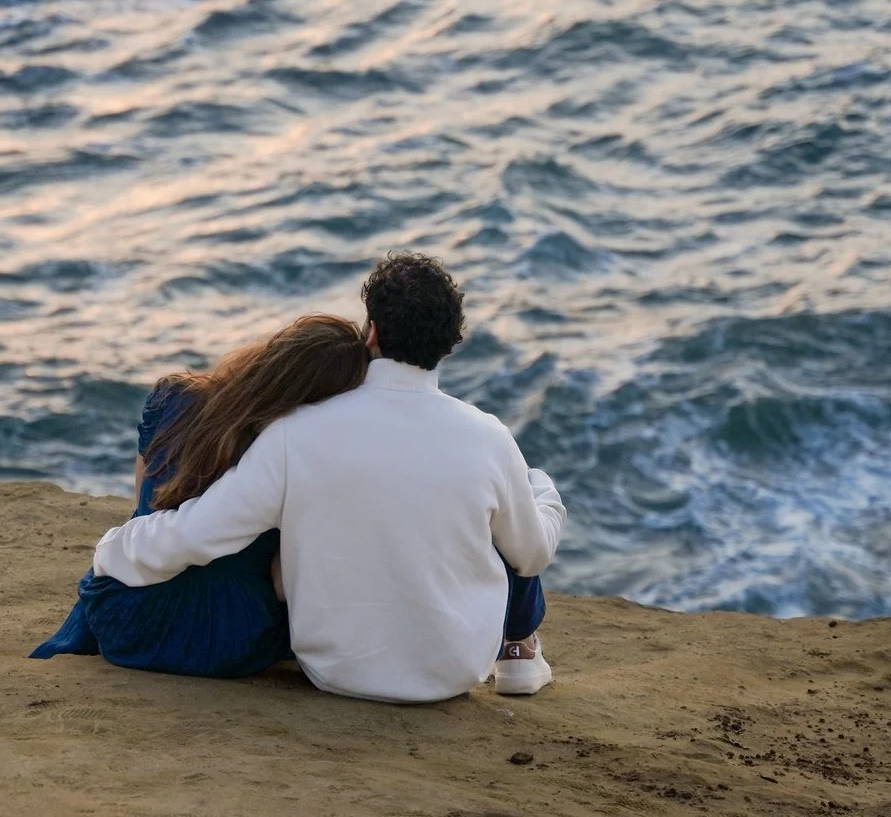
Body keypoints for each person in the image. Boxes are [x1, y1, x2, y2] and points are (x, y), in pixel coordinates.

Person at [91, 253, 564, 703]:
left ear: (372, 331)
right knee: (515, 497)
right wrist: (541, 491)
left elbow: (198, 534)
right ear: (449, 344)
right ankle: (520, 653)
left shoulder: (295, 433)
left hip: (337, 673)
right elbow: (531, 554)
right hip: (454, 671)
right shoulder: (487, 437)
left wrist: (117, 546)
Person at [32, 314, 368, 676]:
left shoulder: (174, 398)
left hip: (126, 618)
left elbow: (143, 512)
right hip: (232, 639)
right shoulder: (294, 451)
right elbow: (283, 584)